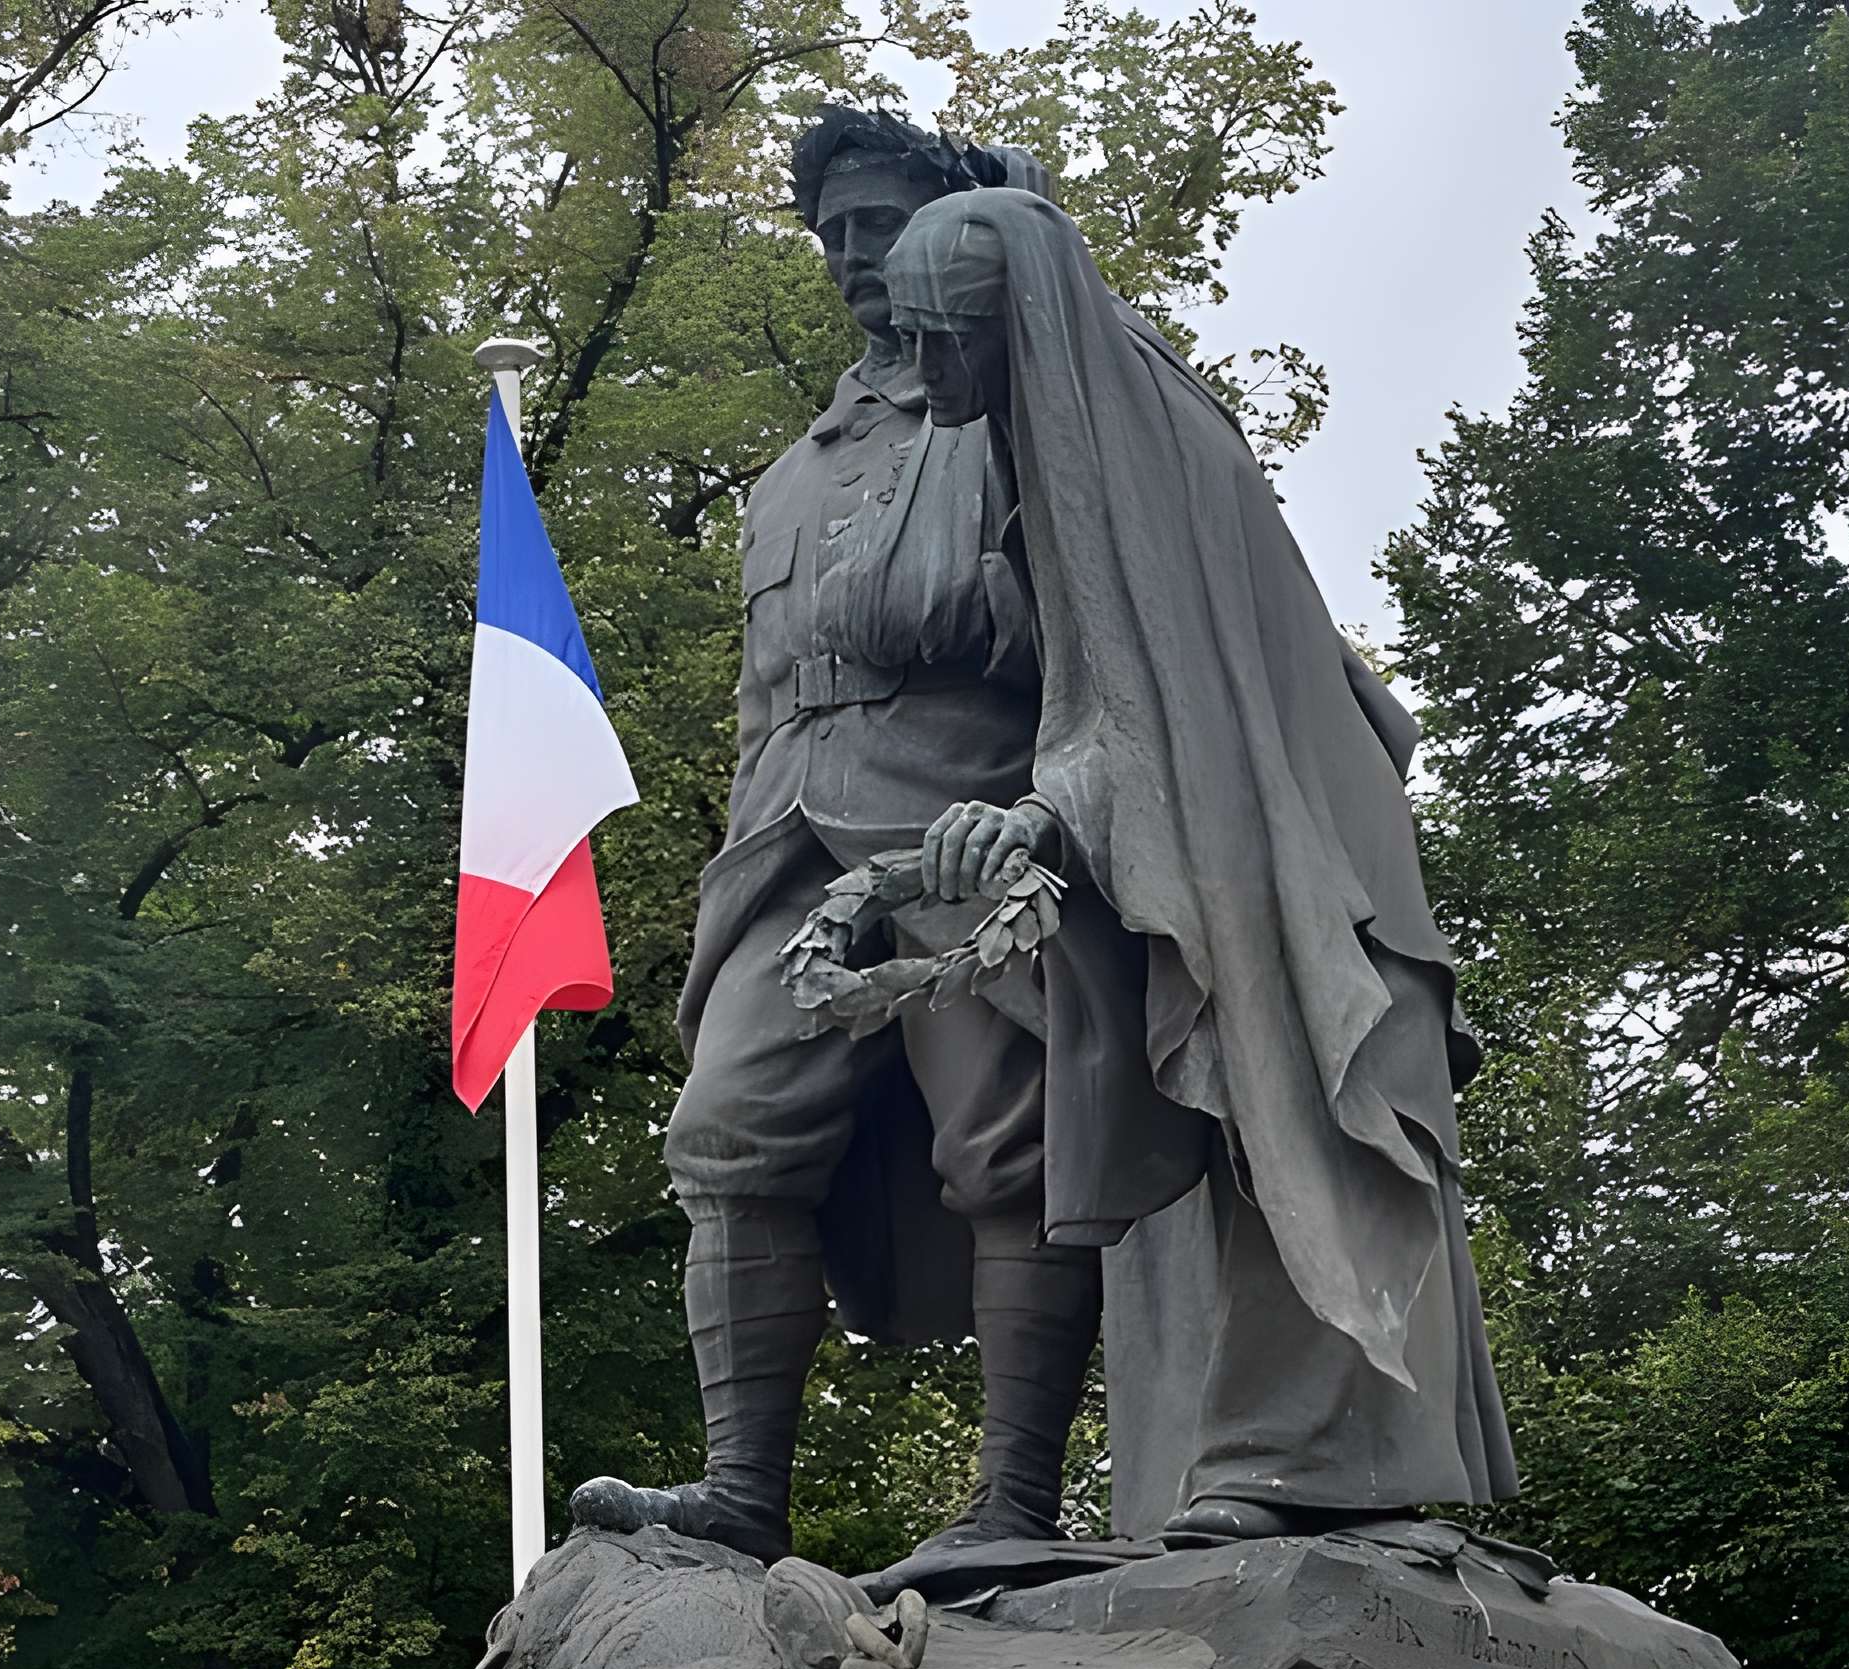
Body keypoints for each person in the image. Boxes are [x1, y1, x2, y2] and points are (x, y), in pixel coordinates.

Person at [881, 186, 1519, 1540]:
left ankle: (1295, 1465)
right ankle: (1236, 1467)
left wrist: (1043, 814)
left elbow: (1166, 701)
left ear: (1021, 318)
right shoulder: (1077, 436)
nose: (923, 367)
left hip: (1284, 842)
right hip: (1235, 832)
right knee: (1230, 1123)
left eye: (949, 335)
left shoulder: (1130, 452)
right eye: (912, 332)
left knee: (1293, 1108)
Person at [572, 108, 1106, 1566]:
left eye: (883, 224)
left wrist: (1050, 809)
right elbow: (767, 691)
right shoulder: (795, 469)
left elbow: (1117, 640)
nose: (856, 253)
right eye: (834, 234)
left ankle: (1014, 1503)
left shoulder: (1032, 407)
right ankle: (740, 1495)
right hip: (789, 844)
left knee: (1009, 1147)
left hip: (962, 828)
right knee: (726, 1139)